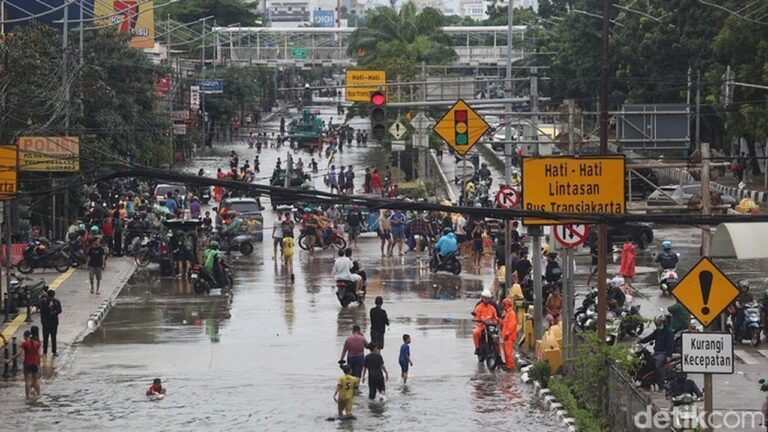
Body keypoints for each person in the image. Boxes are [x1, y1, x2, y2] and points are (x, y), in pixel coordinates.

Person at [639, 315, 675, 391]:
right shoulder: (657, 331)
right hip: (656, 352)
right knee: (646, 363)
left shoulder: (669, 332)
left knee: (658, 366)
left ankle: (661, 385)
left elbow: (670, 345)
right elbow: (649, 337)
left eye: (660, 323)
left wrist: (669, 355)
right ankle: (646, 383)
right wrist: (639, 341)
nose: (658, 325)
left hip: (663, 353)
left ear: (664, 323)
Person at [472, 289, 499, 354]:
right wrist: (477, 319)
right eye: (485, 298)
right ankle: (477, 348)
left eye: (488, 298)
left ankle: (498, 353)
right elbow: (476, 316)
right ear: (482, 298)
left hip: (490, 325)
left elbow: (495, 316)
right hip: (481, 325)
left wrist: (498, 321)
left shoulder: (492, 307)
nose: (486, 300)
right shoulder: (478, 307)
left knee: (497, 336)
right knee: (476, 333)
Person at [18, 330, 41, 399]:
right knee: (36, 380)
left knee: (27, 380)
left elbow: (19, 353)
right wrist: (39, 365)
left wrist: (10, 359)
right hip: (35, 363)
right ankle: (38, 394)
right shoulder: (37, 343)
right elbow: (39, 355)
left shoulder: (25, 343)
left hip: (27, 363)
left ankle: (27, 396)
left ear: (25, 336)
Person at [40, 289, 62, 357]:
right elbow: (42, 311)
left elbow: (60, 310)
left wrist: (54, 312)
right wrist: (48, 307)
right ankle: (45, 351)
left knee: (53, 337)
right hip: (46, 322)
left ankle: (54, 351)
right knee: (45, 337)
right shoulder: (43, 302)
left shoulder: (56, 301)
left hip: (53, 322)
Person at [500, 298, 518, 371]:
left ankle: (510, 367)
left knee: (508, 352)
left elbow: (511, 325)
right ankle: (508, 365)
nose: (503, 306)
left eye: (504, 305)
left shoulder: (511, 314)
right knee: (506, 352)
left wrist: (507, 334)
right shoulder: (508, 313)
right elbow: (505, 323)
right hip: (506, 337)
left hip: (509, 337)